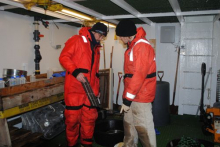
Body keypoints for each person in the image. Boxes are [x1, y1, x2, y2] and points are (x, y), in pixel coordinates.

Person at [59, 22, 108, 147]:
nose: (101, 39)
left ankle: (86, 143)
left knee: (90, 119)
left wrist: (97, 89)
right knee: (72, 120)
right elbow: (64, 57)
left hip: (90, 90)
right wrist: (76, 72)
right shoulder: (76, 40)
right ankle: (72, 144)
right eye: (101, 36)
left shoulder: (97, 49)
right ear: (95, 32)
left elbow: (95, 72)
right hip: (75, 89)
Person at [116, 19, 157, 147]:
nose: (120, 39)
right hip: (132, 94)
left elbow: (139, 75)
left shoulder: (142, 46)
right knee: (129, 127)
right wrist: (127, 98)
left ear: (128, 34)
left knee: (144, 129)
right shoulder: (133, 45)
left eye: (121, 36)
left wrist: (127, 99)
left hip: (141, 96)